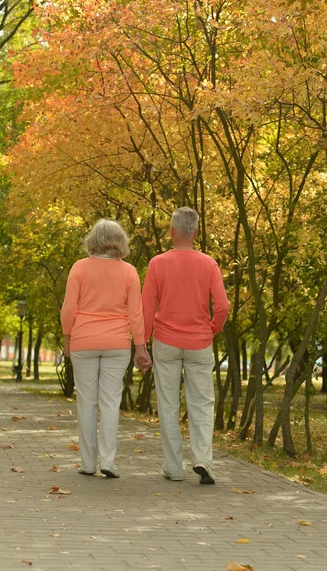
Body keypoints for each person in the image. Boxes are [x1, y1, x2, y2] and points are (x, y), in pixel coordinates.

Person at [142, 207, 230, 484]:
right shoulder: (209, 264)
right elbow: (223, 305)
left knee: (168, 403)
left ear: (171, 231)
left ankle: (174, 467)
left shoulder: (157, 263)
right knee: (202, 403)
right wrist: (212, 329)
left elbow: (146, 307)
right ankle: (203, 459)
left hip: (165, 342)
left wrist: (142, 343)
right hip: (199, 344)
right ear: (196, 233)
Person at [61, 219, 151, 479]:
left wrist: (67, 336)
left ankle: (88, 463)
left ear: (93, 240)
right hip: (117, 344)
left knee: (86, 402)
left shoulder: (79, 268)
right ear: (120, 242)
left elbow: (69, 308)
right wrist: (140, 347)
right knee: (111, 402)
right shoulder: (129, 272)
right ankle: (109, 462)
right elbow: (136, 313)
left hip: (83, 340)